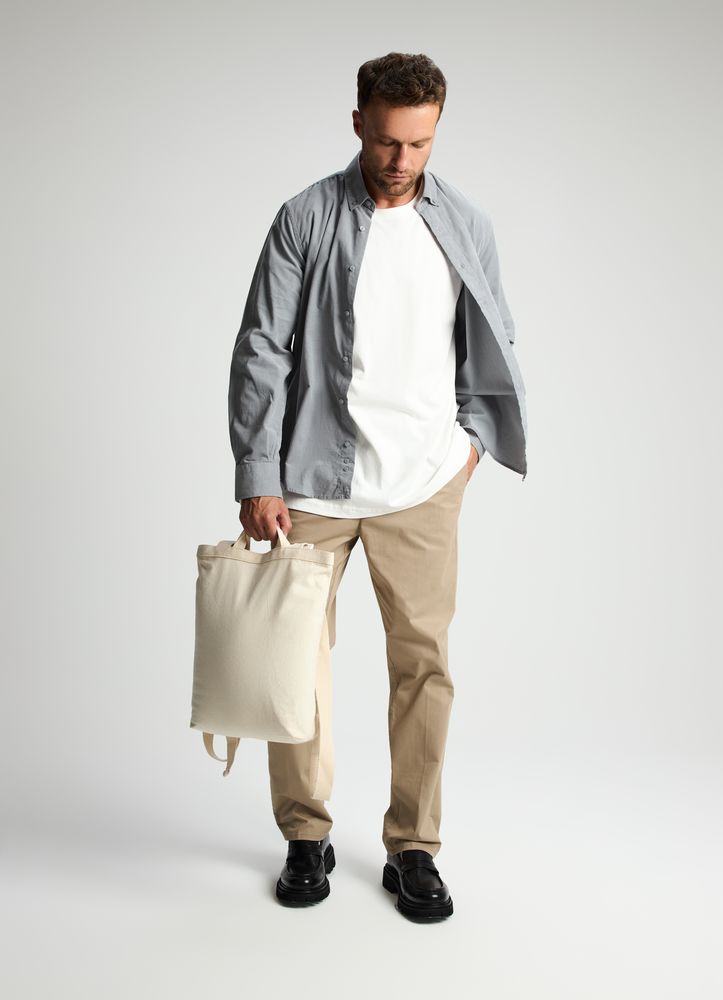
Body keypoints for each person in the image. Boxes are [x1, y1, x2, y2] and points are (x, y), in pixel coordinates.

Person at [228, 51, 527, 921]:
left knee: (424, 668)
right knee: (294, 666)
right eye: (389, 140)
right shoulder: (305, 218)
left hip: (424, 485)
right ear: (358, 121)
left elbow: (493, 332)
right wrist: (258, 472)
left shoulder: (465, 224)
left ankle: (414, 848)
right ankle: (305, 835)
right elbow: (262, 349)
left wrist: (471, 444)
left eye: (420, 143)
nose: (402, 160)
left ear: (436, 131)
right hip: (311, 486)